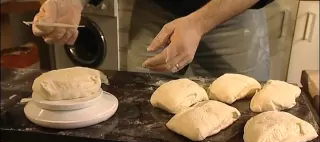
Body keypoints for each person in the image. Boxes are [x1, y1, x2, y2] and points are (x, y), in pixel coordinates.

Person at [32, 0, 273, 81]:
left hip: (229, 14)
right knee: (141, 107)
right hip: (156, 10)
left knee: (244, 109)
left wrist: (199, 22)